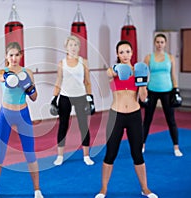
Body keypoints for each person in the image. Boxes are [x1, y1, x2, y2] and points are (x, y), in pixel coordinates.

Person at [95, 40, 158, 198]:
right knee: (111, 153)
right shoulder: (113, 70)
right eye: (121, 52)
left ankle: (145, 188)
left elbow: (143, 98)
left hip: (134, 116)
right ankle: (103, 189)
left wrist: (143, 81)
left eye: (127, 52)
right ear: (117, 54)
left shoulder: (138, 71)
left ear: (132, 53)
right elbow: (109, 74)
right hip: (116, 115)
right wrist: (118, 69)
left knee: (137, 154)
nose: (125, 55)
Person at [0, 42, 43, 198]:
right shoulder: (2, 71)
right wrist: (9, 77)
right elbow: (1, 77)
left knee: (30, 153)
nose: (14, 58)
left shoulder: (28, 73)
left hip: (23, 114)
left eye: (17, 55)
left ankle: (37, 190)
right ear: (6, 56)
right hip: (5, 115)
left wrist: (28, 87)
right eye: (11, 55)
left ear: (21, 56)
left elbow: (34, 97)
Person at [50, 35, 95, 166]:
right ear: (66, 47)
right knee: (63, 125)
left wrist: (90, 99)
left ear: (79, 47)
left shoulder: (84, 62)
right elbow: (59, 80)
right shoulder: (61, 63)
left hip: (81, 96)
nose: (73, 47)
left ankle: (86, 155)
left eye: (75, 45)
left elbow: (87, 82)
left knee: (83, 126)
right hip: (65, 96)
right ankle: (60, 156)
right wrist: (54, 98)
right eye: (71, 45)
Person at [142, 33, 183, 157]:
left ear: (165, 44)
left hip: (167, 91)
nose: (159, 44)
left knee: (171, 120)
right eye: (157, 42)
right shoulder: (149, 57)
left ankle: (176, 147)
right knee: (147, 120)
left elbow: (173, 75)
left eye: (162, 42)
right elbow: (143, 75)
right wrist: (143, 89)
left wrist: (176, 90)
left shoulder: (170, 58)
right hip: (152, 90)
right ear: (154, 43)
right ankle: (142, 145)